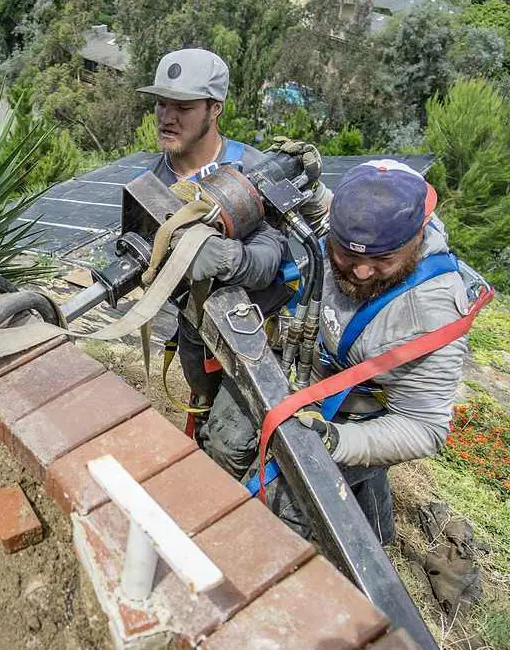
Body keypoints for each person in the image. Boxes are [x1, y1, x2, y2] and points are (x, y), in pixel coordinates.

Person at [199, 159, 471, 543]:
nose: (360, 273)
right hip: (302, 369)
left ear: (418, 237)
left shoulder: (430, 314)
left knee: (280, 512)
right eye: (348, 256)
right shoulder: (337, 224)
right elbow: (316, 207)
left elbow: (424, 426)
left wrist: (337, 442)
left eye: (383, 261)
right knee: (225, 445)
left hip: (353, 417)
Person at [137, 48, 329, 418]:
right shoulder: (153, 183)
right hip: (195, 327)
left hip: (258, 332)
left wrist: (224, 258)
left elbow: (269, 261)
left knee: (233, 438)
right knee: (204, 406)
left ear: (215, 108)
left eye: (184, 107)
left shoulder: (254, 170)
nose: (168, 118)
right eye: (162, 105)